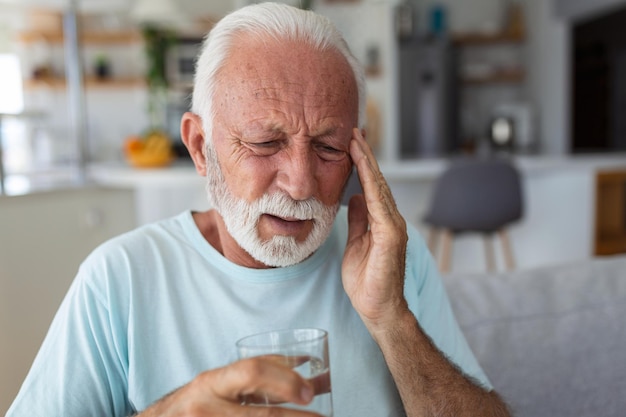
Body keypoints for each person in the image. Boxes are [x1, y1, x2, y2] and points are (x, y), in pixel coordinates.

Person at [7, 3, 510, 417]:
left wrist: (392, 319)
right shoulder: (118, 279)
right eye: (266, 142)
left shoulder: (393, 257)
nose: (299, 183)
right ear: (201, 148)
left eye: (329, 148)